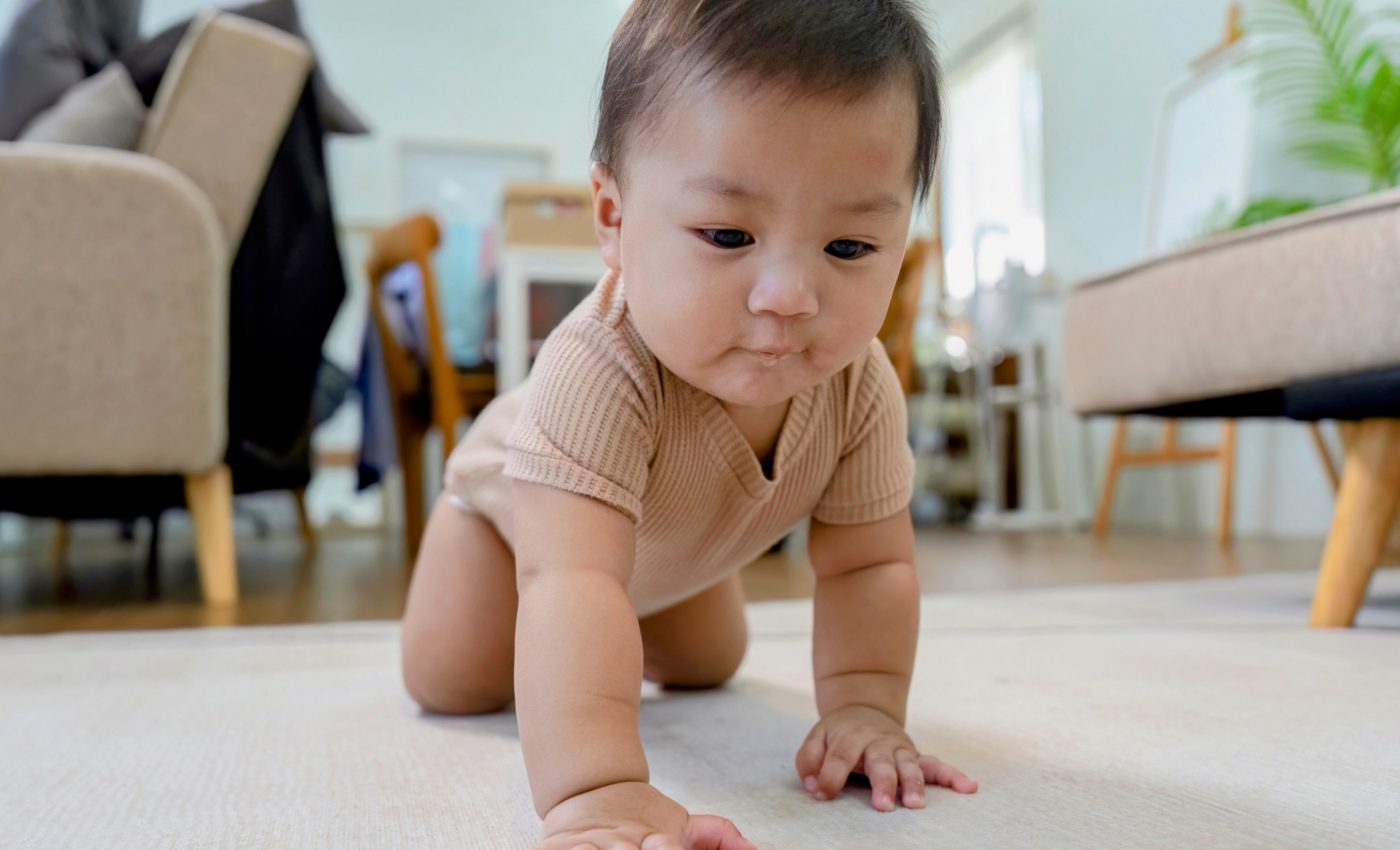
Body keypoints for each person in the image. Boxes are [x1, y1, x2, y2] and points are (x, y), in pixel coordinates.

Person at [401, 1, 977, 847]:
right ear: (613, 218)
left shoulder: (860, 387)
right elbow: (571, 583)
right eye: (727, 233)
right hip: (512, 532)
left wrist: (865, 706)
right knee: (454, 681)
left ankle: (626, 630)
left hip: (675, 545)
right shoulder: (597, 368)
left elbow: (870, 563)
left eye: (849, 247)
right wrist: (597, 788)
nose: (789, 295)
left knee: (710, 665)